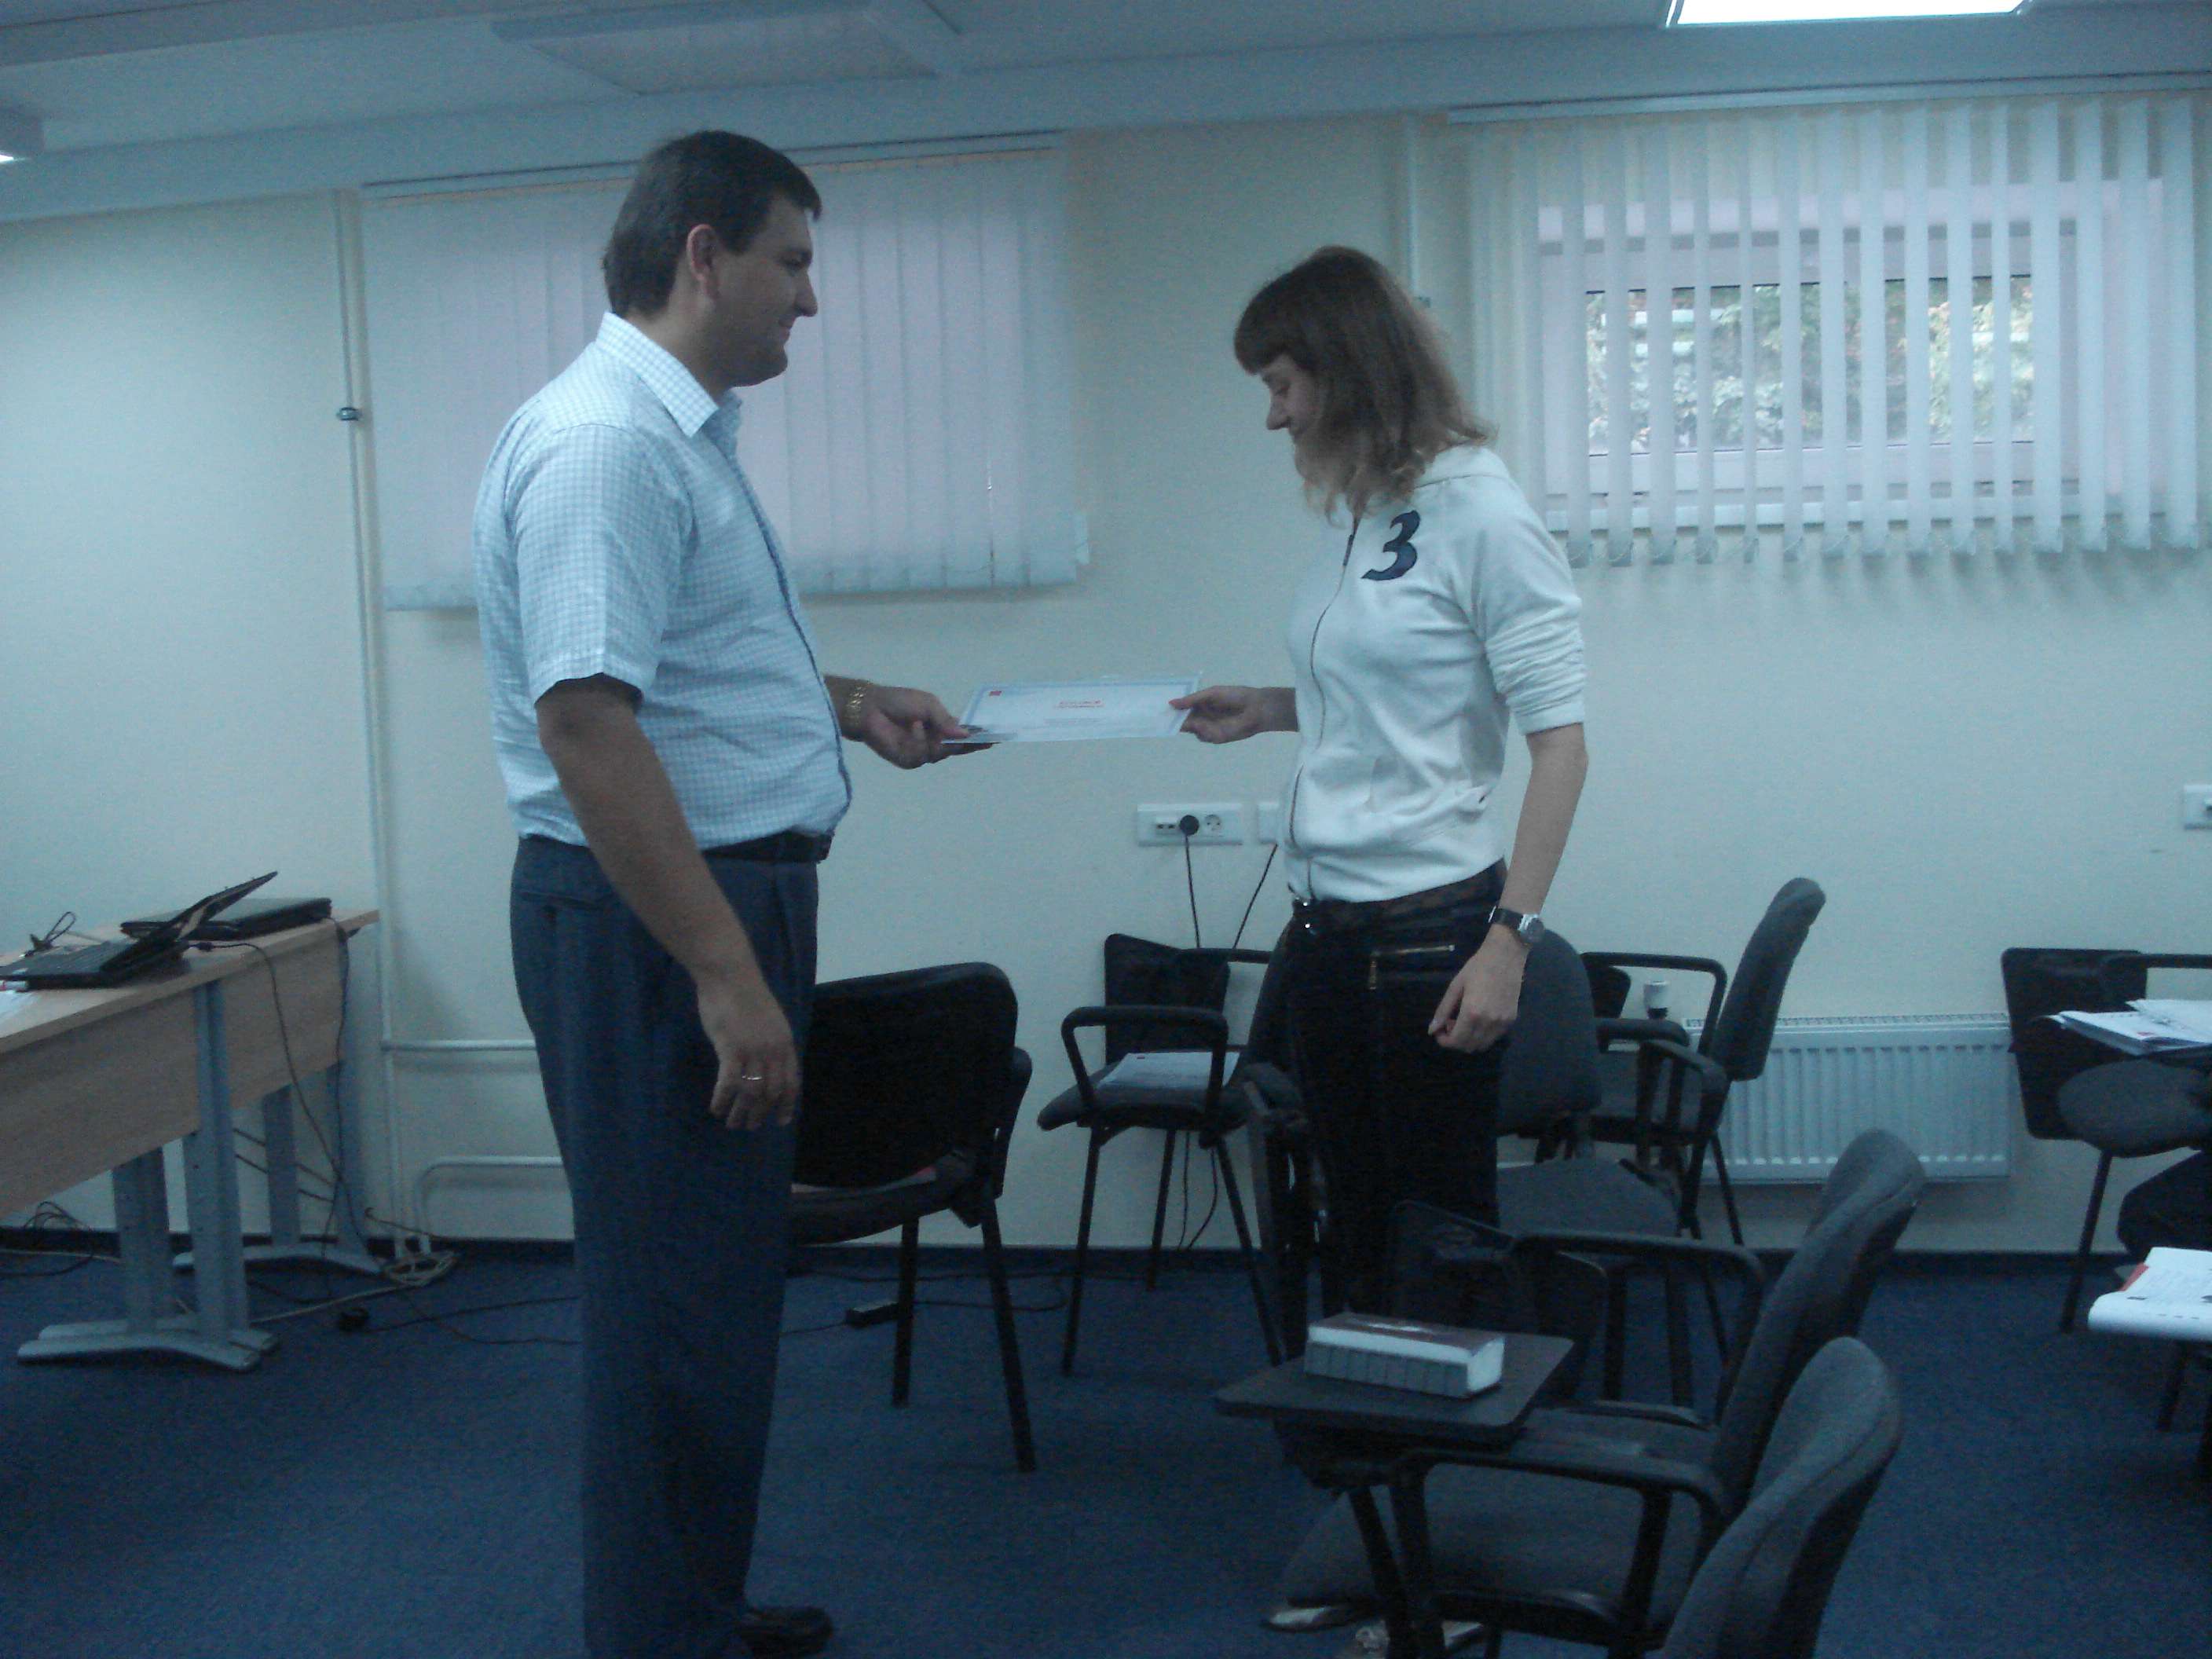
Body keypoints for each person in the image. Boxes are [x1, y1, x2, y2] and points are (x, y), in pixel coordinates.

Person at [472, 130, 970, 1659]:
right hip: (658, 928)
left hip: (698, 912)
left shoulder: (676, 435)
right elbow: (586, 725)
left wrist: (848, 703)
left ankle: (690, 1606)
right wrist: (724, 973)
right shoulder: (608, 446)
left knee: (710, 1301)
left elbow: (677, 678)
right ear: (703, 256)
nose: (810, 299)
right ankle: (658, 1635)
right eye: (792, 262)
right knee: (668, 1313)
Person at [1172, 246, 1588, 1311]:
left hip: (1426, 936)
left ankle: (1457, 1414)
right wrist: (1272, 707)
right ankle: (1370, 1411)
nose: (1274, 417)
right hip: (1327, 929)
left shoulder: (1483, 516)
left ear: (1349, 370)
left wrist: (1509, 946)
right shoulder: (1360, 512)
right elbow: (1397, 695)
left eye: (1282, 385)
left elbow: (1561, 747)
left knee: (1436, 1234)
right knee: (1354, 1225)